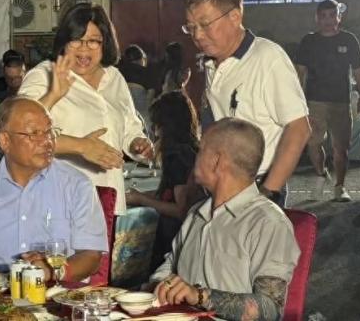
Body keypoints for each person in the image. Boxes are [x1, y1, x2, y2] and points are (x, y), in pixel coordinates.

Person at [150, 118, 300, 321]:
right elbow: (169, 267)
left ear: (216, 161)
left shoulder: (268, 223)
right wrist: (158, 285)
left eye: (200, 150)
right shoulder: (196, 213)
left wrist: (200, 296)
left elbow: (269, 309)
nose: (195, 157)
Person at [183, 0, 310, 206]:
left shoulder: (267, 58)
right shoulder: (212, 63)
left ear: (235, 17)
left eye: (205, 24)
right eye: (191, 27)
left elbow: (299, 129)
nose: (197, 35)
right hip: (221, 189)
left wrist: (268, 193)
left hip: (257, 188)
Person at [0, 97, 108, 280]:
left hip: (57, 294)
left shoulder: (76, 185)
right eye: (34, 133)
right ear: (5, 140)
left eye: (49, 132)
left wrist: (51, 271)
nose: (47, 141)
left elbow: (91, 257)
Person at [19, 3, 153, 214]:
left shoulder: (114, 77)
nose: (84, 49)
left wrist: (138, 144)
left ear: (105, 43)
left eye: (93, 41)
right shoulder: (44, 75)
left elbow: (129, 127)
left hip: (108, 198)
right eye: (76, 40)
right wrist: (81, 146)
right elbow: (20, 131)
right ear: (64, 42)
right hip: (58, 200)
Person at [296, 0, 360, 202]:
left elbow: (358, 71)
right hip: (313, 102)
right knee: (313, 144)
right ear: (317, 18)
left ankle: (339, 187)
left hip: (341, 102)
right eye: (323, 16)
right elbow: (299, 72)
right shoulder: (308, 41)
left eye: (332, 15)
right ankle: (321, 174)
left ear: (339, 17)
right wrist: (296, 99)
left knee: (341, 148)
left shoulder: (349, 40)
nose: (328, 20)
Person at [125, 91, 204, 270]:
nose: (155, 131)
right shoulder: (190, 149)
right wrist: (139, 195)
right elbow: (168, 194)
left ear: (164, 126)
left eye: (156, 125)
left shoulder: (177, 156)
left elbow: (180, 209)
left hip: (171, 238)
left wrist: (141, 200)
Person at [118, 44, 154, 131]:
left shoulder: (118, 73)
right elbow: (150, 96)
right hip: (143, 116)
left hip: (123, 117)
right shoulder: (147, 73)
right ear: (141, 59)